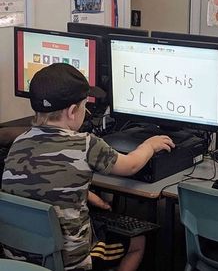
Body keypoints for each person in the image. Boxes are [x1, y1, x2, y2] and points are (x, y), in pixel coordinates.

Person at [2, 63, 175, 271]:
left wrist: (84, 193)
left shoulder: (19, 142)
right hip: (70, 261)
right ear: (73, 111)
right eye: (85, 105)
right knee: (138, 242)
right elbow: (131, 166)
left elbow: (40, 189)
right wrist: (149, 145)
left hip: (18, 258)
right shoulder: (86, 144)